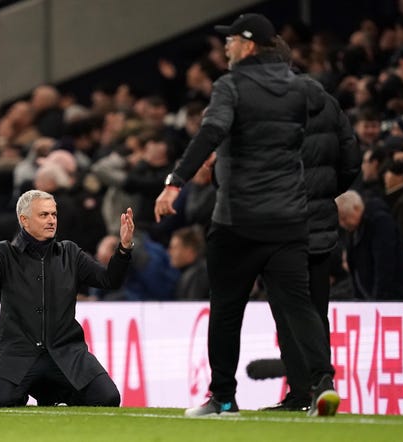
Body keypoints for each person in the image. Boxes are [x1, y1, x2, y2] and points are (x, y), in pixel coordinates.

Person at [154, 13, 339, 417]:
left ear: (250, 45)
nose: (226, 46)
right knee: (298, 305)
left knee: (225, 309)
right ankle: (322, 382)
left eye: (233, 40)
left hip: (238, 220)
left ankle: (223, 397)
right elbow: (323, 120)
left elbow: (211, 131)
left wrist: (175, 181)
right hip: (290, 218)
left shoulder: (231, 86)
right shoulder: (301, 88)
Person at [0, 190, 135, 407]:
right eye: (43, 215)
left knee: (108, 398)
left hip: (66, 352)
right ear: (24, 220)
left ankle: (57, 393)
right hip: (18, 352)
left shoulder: (70, 253)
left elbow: (109, 280)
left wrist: (124, 249)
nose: (51, 220)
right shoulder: (5, 253)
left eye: (53, 214)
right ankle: (40, 391)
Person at [261, 73, 360, 411]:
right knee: (316, 311)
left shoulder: (271, 108)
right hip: (320, 227)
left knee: (287, 312)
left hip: (281, 227)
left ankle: (303, 390)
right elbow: (351, 162)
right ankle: (318, 388)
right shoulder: (330, 105)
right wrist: (323, 194)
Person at [335, 190, 403, 300]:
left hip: (396, 297)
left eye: (344, 218)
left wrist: (378, 300)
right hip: (371, 298)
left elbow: (384, 262)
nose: (343, 224)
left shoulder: (380, 221)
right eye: (340, 221)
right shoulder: (354, 230)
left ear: (356, 208)